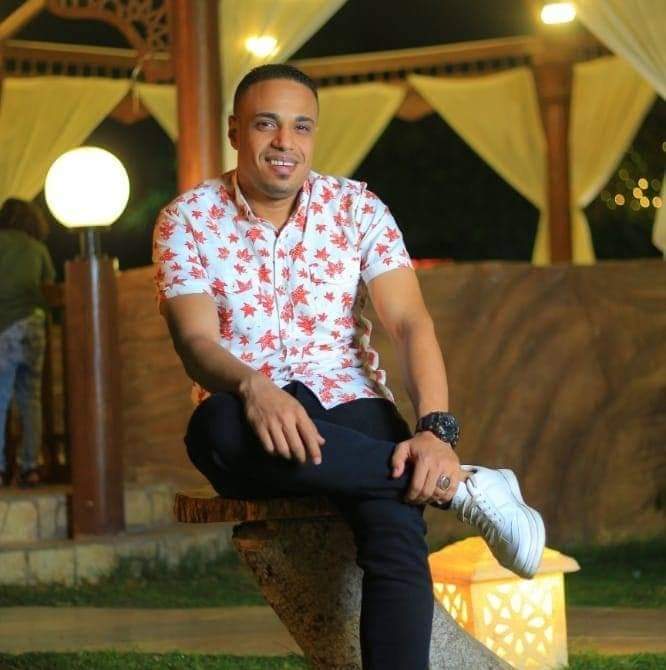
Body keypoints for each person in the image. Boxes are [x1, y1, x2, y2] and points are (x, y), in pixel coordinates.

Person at [153, 64, 545, 669]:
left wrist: (435, 432)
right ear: (235, 131)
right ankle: (464, 488)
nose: (285, 142)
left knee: (395, 527)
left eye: (301, 126)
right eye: (266, 124)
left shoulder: (358, 208)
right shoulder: (187, 218)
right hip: (247, 407)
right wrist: (254, 387)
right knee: (217, 430)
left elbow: (410, 323)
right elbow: (194, 339)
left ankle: (439, 474)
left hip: (349, 399)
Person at [0, 198, 55, 487]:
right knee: (30, 399)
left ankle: (0, 468)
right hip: (35, 325)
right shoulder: (38, 248)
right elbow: (49, 285)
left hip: (6, 326)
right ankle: (30, 466)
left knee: (1, 399)